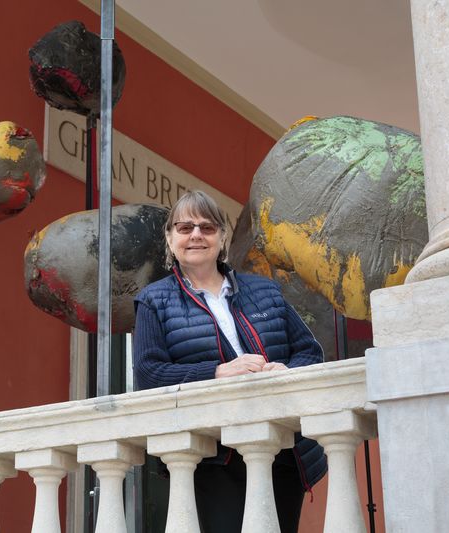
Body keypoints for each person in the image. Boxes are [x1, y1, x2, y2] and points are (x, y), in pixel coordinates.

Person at [133, 190, 327, 533]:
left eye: (207, 227)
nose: (196, 235)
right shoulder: (153, 301)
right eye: (185, 227)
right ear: (170, 238)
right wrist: (217, 372)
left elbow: (310, 352)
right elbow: (149, 374)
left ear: (222, 237)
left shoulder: (265, 291)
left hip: (282, 447)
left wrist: (286, 371)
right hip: (213, 456)